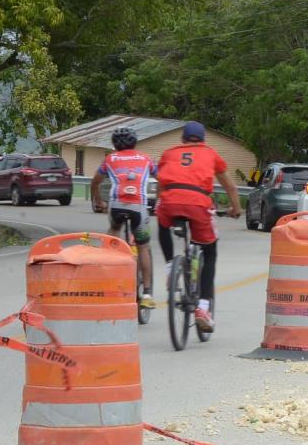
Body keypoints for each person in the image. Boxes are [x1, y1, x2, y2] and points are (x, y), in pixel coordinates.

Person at [155, 121, 242, 332]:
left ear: (183, 139)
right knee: (210, 251)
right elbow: (229, 185)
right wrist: (236, 208)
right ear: (203, 139)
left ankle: (169, 268)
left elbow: (160, 183)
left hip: (170, 200)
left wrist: (161, 203)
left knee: (162, 223)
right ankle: (203, 307)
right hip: (198, 204)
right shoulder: (211, 154)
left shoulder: (169, 153)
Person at [91, 126, 156, 308]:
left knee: (113, 231)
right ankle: (147, 294)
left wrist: (99, 201)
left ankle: (106, 274)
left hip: (117, 205)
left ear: (114, 144)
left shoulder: (110, 159)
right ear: (135, 142)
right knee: (143, 247)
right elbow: (162, 177)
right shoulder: (145, 158)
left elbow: (95, 182)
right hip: (138, 206)